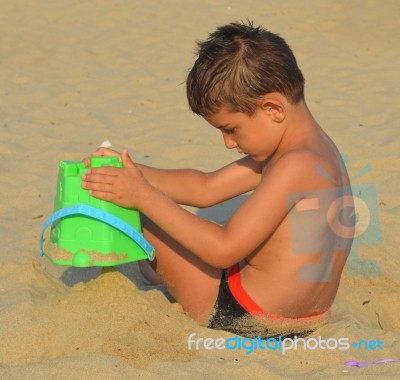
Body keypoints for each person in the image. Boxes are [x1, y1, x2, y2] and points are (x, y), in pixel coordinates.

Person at [82, 21, 354, 339]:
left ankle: (155, 265)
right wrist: (133, 172)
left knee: (140, 212)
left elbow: (223, 250)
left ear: (273, 108)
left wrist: (142, 195)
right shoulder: (318, 152)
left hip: (244, 315)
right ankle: (159, 265)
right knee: (145, 199)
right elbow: (206, 188)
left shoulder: (293, 164)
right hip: (308, 316)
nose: (227, 143)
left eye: (231, 128)